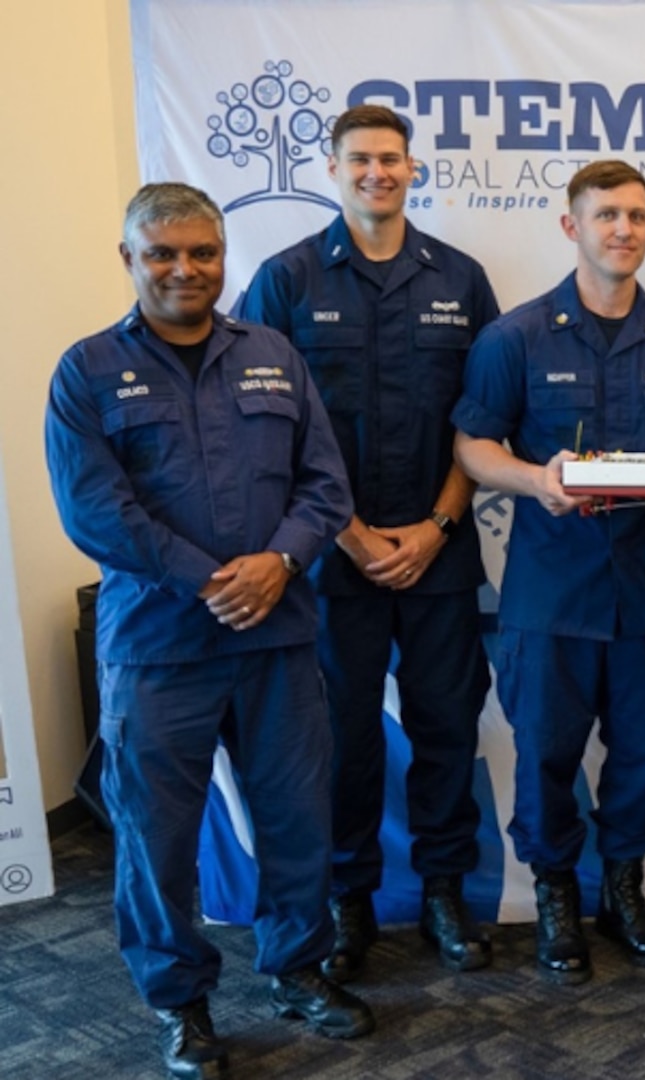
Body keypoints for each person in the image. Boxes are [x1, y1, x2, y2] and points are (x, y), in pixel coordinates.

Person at [44, 183, 370, 1079]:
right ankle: (180, 1004)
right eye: (162, 253)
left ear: (223, 258)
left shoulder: (272, 354)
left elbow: (325, 486)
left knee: (297, 817)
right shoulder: (86, 370)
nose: (185, 269)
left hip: (278, 636)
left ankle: (299, 970)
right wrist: (212, 578)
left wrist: (281, 563)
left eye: (202, 253)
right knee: (156, 836)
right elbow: (94, 511)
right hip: (159, 646)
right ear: (129, 260)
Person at [236, 104, 501, 982]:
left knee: (446, 731)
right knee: (342, 742)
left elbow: (483, 423)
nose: (376, 173)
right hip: (331, 564)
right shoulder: (284, 280)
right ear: (332, 167)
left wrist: (436, 527)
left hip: (440, 555)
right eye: (360, 160)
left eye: (390, 159)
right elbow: (262, 432)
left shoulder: (461, 281)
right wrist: (343, 534)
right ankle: (348, 900)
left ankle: (443, 898)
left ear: (412, 169)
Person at [452, 160, 645, 983]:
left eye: (636, 215)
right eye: (606, 216)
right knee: (547, 755)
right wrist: (535, 480)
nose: (623, 230)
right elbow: (471, 446)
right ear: (572, 227)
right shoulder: (515, 337)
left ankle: (624, 891)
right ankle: (557, 895)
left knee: (639, 752)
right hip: (551, 589)